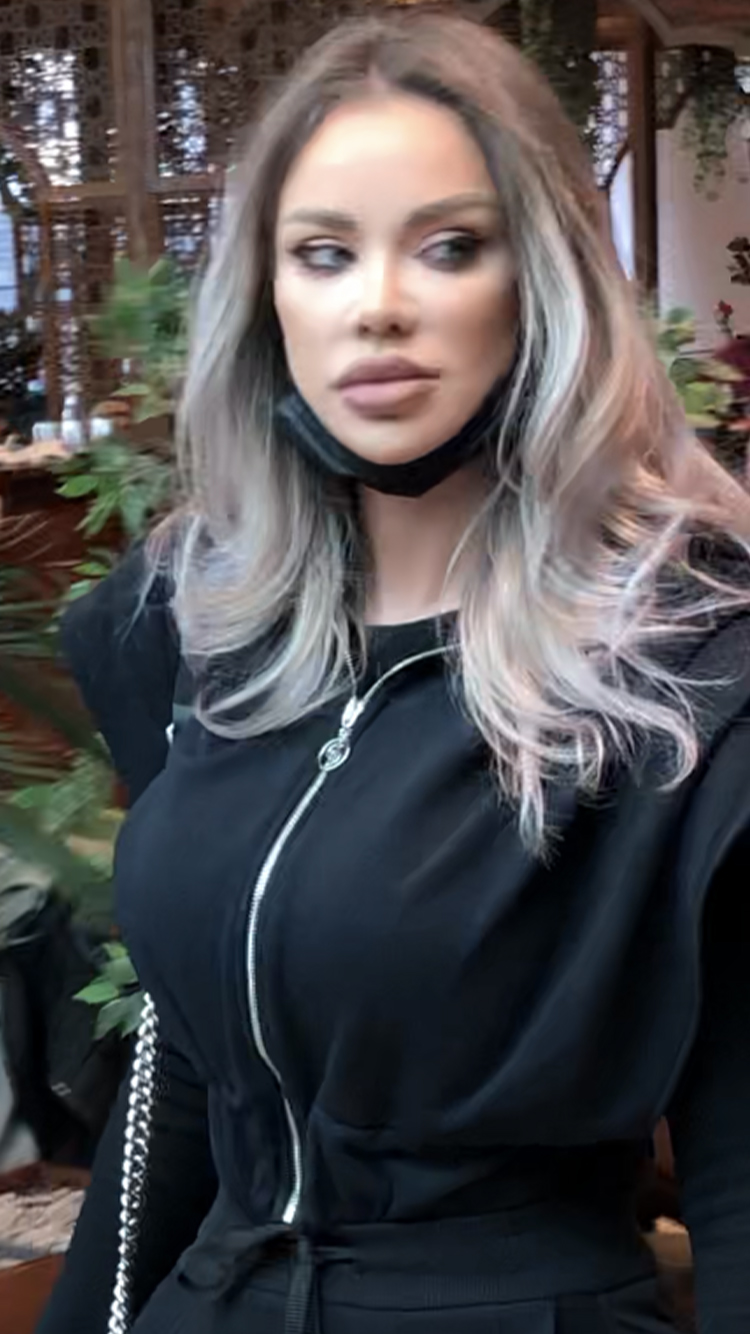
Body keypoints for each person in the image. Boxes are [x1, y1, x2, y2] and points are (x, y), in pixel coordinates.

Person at [39, 12, 750, 1334]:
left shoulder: (693, 671)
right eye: (323, 253)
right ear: (268, 297)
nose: (376, 304)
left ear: (540, 281)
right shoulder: (184, 628)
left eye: (449, 246)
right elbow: (191, 1079)